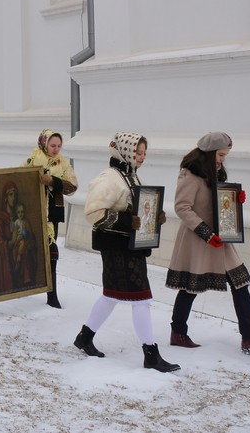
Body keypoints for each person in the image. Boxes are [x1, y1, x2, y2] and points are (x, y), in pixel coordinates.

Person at [73, 132, 179, 372]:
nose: (141, 157)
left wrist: (153, 219)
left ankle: (84, 337)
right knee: (141, 298)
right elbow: (93, 212)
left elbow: (138, 208)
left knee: (111, 295)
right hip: (116, 247)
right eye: (137, 153)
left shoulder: (129, 175)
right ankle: (150, 355)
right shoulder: (109, 178)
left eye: (143, 153)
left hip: (128, 247)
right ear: (125, 151)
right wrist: (127, 221)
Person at [166, 132, 250, 357]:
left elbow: (218, 203)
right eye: (220, 155)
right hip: (198, 240)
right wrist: (206, 233)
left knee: (240, 283)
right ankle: (178, 332)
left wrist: (234, 200)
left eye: (225, 155)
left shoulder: (215, 172)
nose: (223, 159)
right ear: (209, 153)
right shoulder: (190, 174)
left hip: (221, 240)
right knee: (190, 287)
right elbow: (182, 208)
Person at [25, 129, 78, 308]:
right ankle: (29, 284)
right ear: (44, 143)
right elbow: (20, 180)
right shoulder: (32, 159)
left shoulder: (62, 163)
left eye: (59, 146)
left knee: (52, 253)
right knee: (33, 251)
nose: (56, 149)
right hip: (33, 212)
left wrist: (53, 181)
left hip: (52, 213)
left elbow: (72, 187)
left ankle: (52, 295)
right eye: (52, 145)